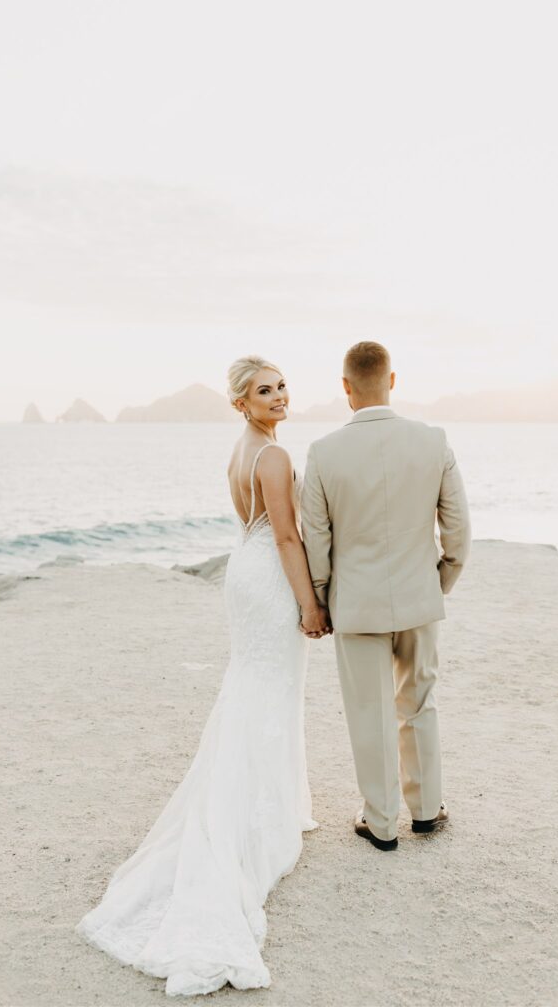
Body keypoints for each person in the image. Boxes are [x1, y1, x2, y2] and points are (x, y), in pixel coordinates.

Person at [75, 356, 329, 996]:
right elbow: (288, 539)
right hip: (270, 580)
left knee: (254, 688)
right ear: (241, 402)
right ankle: (259, 820)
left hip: (243, 574)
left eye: (281, 386)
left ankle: (276, 804)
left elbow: (258, 528)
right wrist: (310, 604)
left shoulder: (241, 450)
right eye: (264, 391)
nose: (279, 396)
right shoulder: (273, 455)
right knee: (270, 691)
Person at [300, 341, 471, 851]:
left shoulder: (324, 452)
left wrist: (323, 596)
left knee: (369, 712)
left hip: (356, 603)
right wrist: (440, 580)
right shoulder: (432, 440)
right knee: (419, 702)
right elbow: (458, 530)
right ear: (392, 381)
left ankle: (379, 823)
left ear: (345, 387)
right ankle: (426, 810)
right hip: (419, 595)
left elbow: (316, 539)